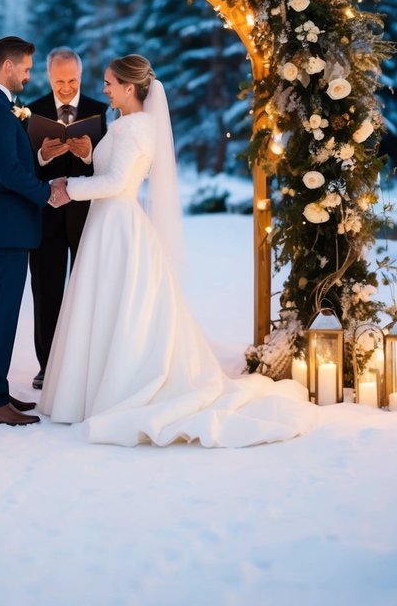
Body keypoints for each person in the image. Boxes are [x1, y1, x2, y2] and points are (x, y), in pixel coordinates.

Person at [40, 54, 313, 447]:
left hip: (118, 225)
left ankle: (120, 386)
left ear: (129, 88)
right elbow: (110, 169)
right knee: (102, 307)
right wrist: (86, 156)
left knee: (119, 309)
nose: (104, 90)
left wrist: (70, 187)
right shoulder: (124, 125)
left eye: (109, 83)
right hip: (105, 225)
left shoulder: (138, 129)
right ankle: (90, 388)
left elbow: (119, 182)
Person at [0, 36, 69, 427]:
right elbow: (7, 173)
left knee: (1, 313)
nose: (28, 76)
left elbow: (12, 163)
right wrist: (47, 194)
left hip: (6, 227)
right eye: (25, 69)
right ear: (7, 66)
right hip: (4, 227)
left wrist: (41, 161)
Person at [28, 48, 108, 389]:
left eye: (72, 80)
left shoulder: (100, 111)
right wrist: (42, 157)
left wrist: (88, 153)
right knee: (46, 292)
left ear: (81, 76)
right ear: (49, 77)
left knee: (86, 290)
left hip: (86, 216)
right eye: (59, 80)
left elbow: (109, 165)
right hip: (46, 216)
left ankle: (83, 363)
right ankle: (47, 365)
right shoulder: (32, 111)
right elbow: (23, 167)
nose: (65, 87)